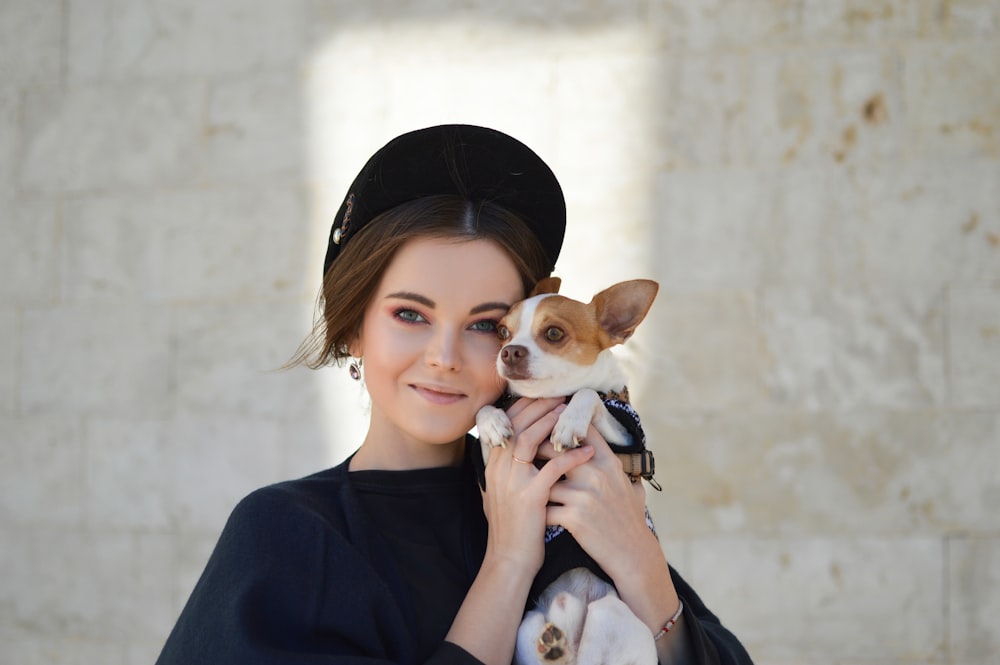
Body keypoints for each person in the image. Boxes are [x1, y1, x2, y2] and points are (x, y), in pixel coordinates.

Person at [156, 124, 753, 665]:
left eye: (485, 325)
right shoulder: (287, 534)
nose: (444, 356)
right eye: (411, 314)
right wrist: (509, 564)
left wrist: (641, 567)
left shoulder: (568, 491)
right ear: (352, 328)